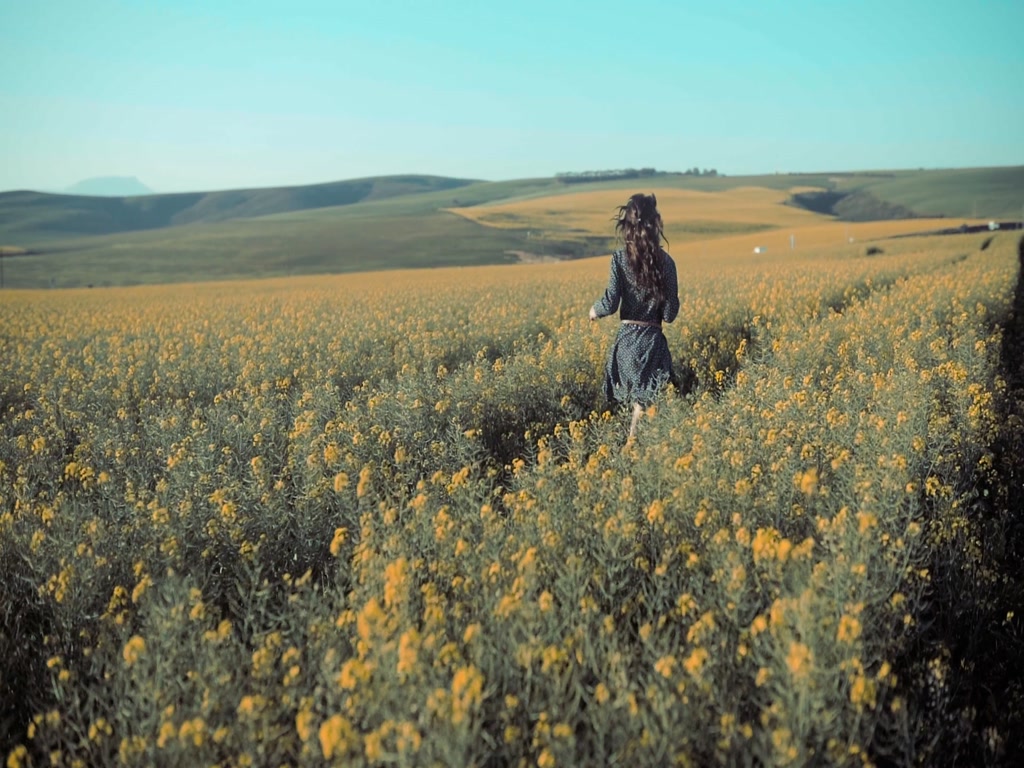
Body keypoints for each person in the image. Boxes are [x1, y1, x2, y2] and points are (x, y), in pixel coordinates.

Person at [589, 193, 680, 439]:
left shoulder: (619, 259)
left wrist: (594, 310)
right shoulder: (667, 263)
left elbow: (610, 302)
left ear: (628, 226)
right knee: (647, 406)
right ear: (656, 224)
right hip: (652, 344)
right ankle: (634, 445)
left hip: (627, 344)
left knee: (638, 405)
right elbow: (670, 314)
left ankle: (633, 445)